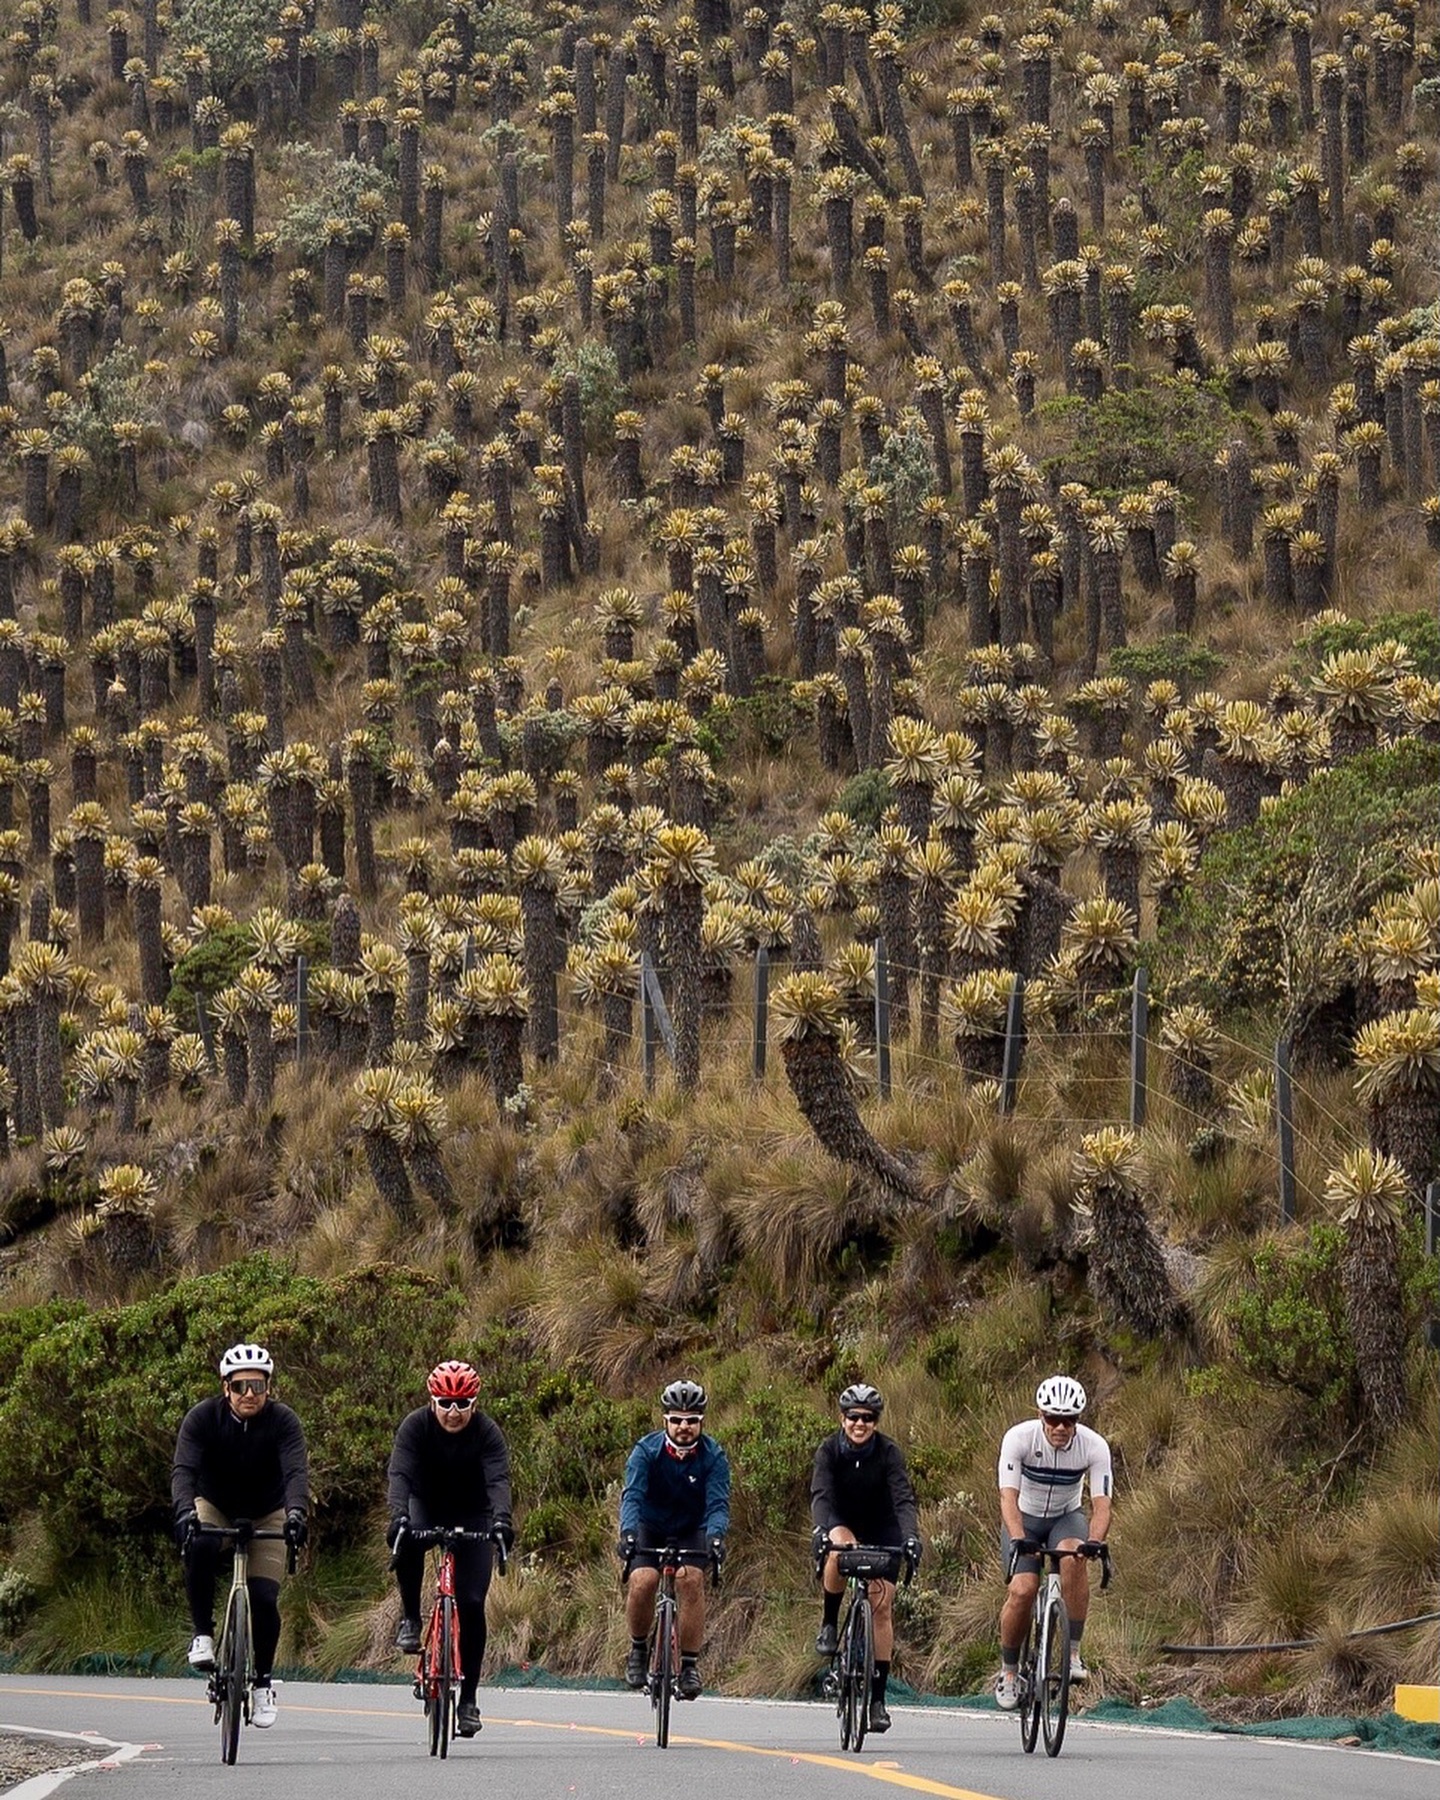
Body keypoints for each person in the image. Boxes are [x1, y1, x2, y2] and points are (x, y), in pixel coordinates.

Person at [172, 1343, 310, 1731]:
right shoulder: (202, 1418)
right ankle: (203, 1634)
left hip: (268, 1509)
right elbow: (183, 1471)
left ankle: (263, 1684)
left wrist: (297, 1514)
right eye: (239, 1386)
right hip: (215, 1504)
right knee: (200, 1542)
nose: (249, 1394)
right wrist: (184, 1512)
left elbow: (295, 1473)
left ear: (269, 1387)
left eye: (258, 1386)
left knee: (264, 1598)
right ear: (225, 1388)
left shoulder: (284, 1421)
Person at [387, 1360, 513, 1740]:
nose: (453, 1412)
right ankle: (411, 1618)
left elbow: (498, 1480)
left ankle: (469, 1700)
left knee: (472, 1602)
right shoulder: (415, 1426)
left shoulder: (487, 1432)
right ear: (432, 1401)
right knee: (408, 1537)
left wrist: (502, 1522)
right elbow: (400, 1474)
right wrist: (398, 1516)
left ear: (475, 1403)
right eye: (445, 1403)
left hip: (474, 1512)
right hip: (425, 1503)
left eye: (462, 1404)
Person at [994, 1374, 1112, 1710]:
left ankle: (1072, 1653)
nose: (1060, 1427)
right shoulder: (1018, 1438)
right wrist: (1018, 1537)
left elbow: (1103, 1505)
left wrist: (1094, 1541)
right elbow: (1008, 1498)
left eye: (1069, 1420)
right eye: (1052, 1418)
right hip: (1025, 1519)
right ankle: (1009, 1671)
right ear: (1040, 1415)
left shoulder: (1094, 1446)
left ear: (1078, 1419)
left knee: (1074, 1557)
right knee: (1023, 1590)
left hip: (1065, 1517)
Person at [809, 1383, 921, 1735]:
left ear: (876, 1421)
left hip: (882, 1526)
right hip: (842, 1519)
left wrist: (911, 1537)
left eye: (868, 1418)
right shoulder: (829, 1450)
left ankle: (877, 1700)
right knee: (839, 1549)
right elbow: (821, 1495)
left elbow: (903, 1499)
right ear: (842, 1419)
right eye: (854, 1417)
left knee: (881, 1607)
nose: (860, 1423)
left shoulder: (889, 1452)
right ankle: (830, 1623)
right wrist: (820, 1529)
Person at [617, 1379, 730, 1701]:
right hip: (650, 1525)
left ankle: (690, 1664)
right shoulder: (646, 1451)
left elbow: (718, 1504)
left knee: (690, 1580)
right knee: (643, 1580)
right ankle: (638, 1649)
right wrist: (628, 1532)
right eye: (677, 1420)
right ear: (665, 1419)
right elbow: (632, 1496)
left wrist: (716, 1536)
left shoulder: (713, 1456)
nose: (684, 1427)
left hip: (691, 1529)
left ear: (701, 1422)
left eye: (692, 1420)